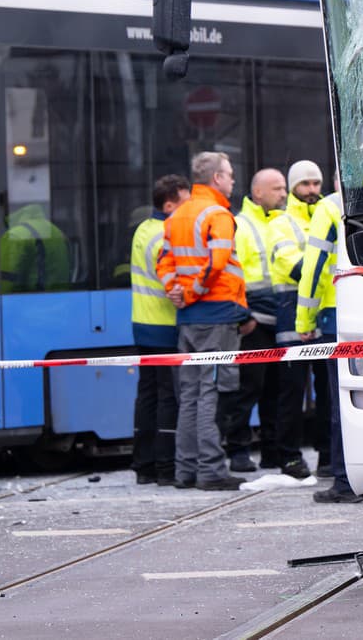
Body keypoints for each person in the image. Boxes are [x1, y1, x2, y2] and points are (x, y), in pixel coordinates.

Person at [158, 151, 252, 492]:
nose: (232, 180)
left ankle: (186, 471)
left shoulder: (177, 215)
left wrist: (177, 293)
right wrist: (193, 292)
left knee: (191, 393)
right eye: (228, 175)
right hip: (216, 315)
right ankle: (211, 470)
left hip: (188, 319)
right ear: (216, 179)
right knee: (211, 394)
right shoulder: (218, 214)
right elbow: (217, 263)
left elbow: (163, 262)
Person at [296, 180, 360, 503]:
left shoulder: (330, 206)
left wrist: (303, 321)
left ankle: (346, 481)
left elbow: (313, 267)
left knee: (341, 400)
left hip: (339, 314)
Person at [219, 168, 287, 473]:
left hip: (283, 320)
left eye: (284, 188)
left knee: (276, 390)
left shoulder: (284, 223)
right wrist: (242, 316)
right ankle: (238, 451)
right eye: (276, 189)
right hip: (254, 322)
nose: (283, 194)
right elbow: (230, 274)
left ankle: (272, 452)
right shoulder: (241, 225)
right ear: (257, 192)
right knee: (247, 390)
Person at [129, 174, 190, 486]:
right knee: (168, 397)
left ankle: (144, 465)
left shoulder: (144, 228)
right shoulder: (163, 234)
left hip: (143, 324)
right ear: (169, 205)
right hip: (164, 325)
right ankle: (165, 467)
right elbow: (174, 283)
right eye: (184, 202)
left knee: (148, 395)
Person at [270, 159, 326, 480]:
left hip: (323, 312)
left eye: (316, 184)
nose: (312, 191)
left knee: (328, 390)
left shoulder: (326, 215)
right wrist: (323, 267)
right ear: (293, 187)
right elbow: (294, 267)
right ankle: (289, 458)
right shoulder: (280, 222)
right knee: (291, 391)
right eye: (305, 184)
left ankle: (329, 456)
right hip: (292, 312)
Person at [0, 203, 72, 293]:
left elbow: (8, 285)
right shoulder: (57, 231)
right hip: (62, 302)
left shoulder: (15, 235)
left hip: (32, 304)